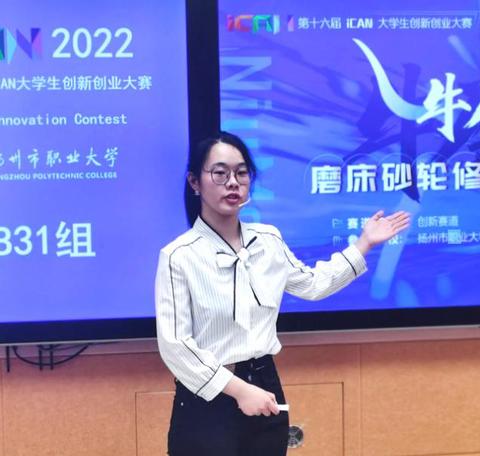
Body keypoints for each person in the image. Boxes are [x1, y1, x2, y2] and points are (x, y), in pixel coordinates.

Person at [155, 132, 411, 456]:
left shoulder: (268, 240)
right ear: (195, 182)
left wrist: (364, 243)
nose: (232, 182)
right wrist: (239, 391)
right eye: (219, 173)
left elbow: (313, 284)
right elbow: (176, 346)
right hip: (207, 399)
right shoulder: (179, 255)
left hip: (265, 385)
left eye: (241, 172)